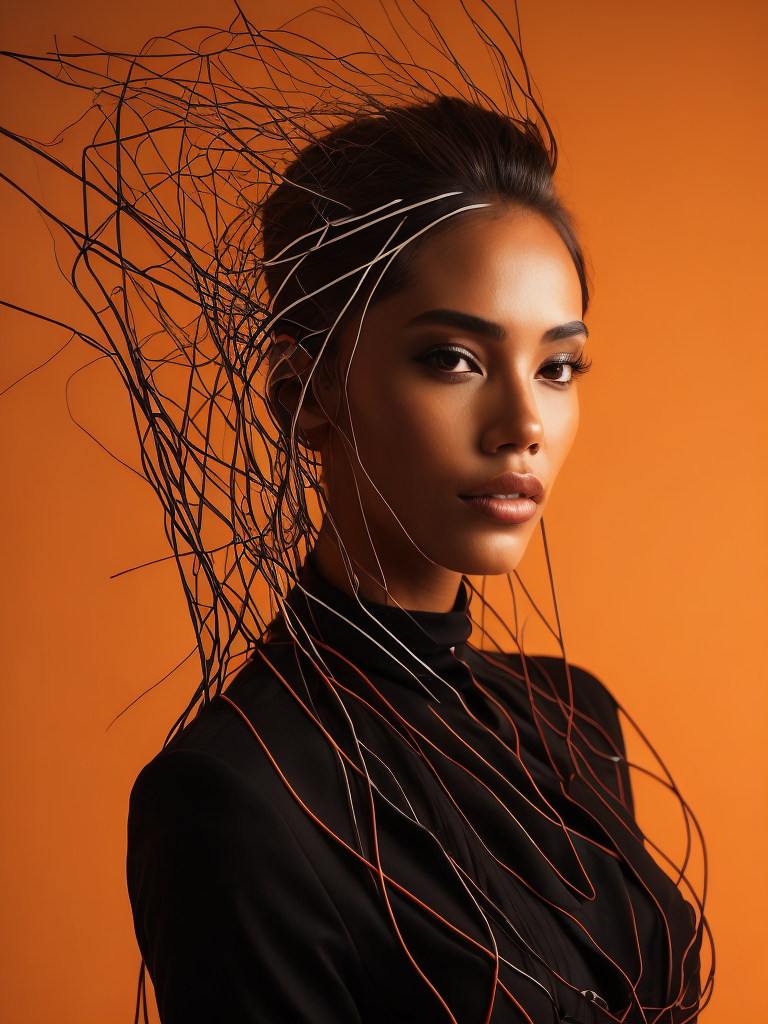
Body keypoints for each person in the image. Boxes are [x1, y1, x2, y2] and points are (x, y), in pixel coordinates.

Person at [1, 4, 711, 1021]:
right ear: (305, 392)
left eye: (558, 367)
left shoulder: (573, 718)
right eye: (453, 359)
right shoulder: (235, 796)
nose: (524, 424)